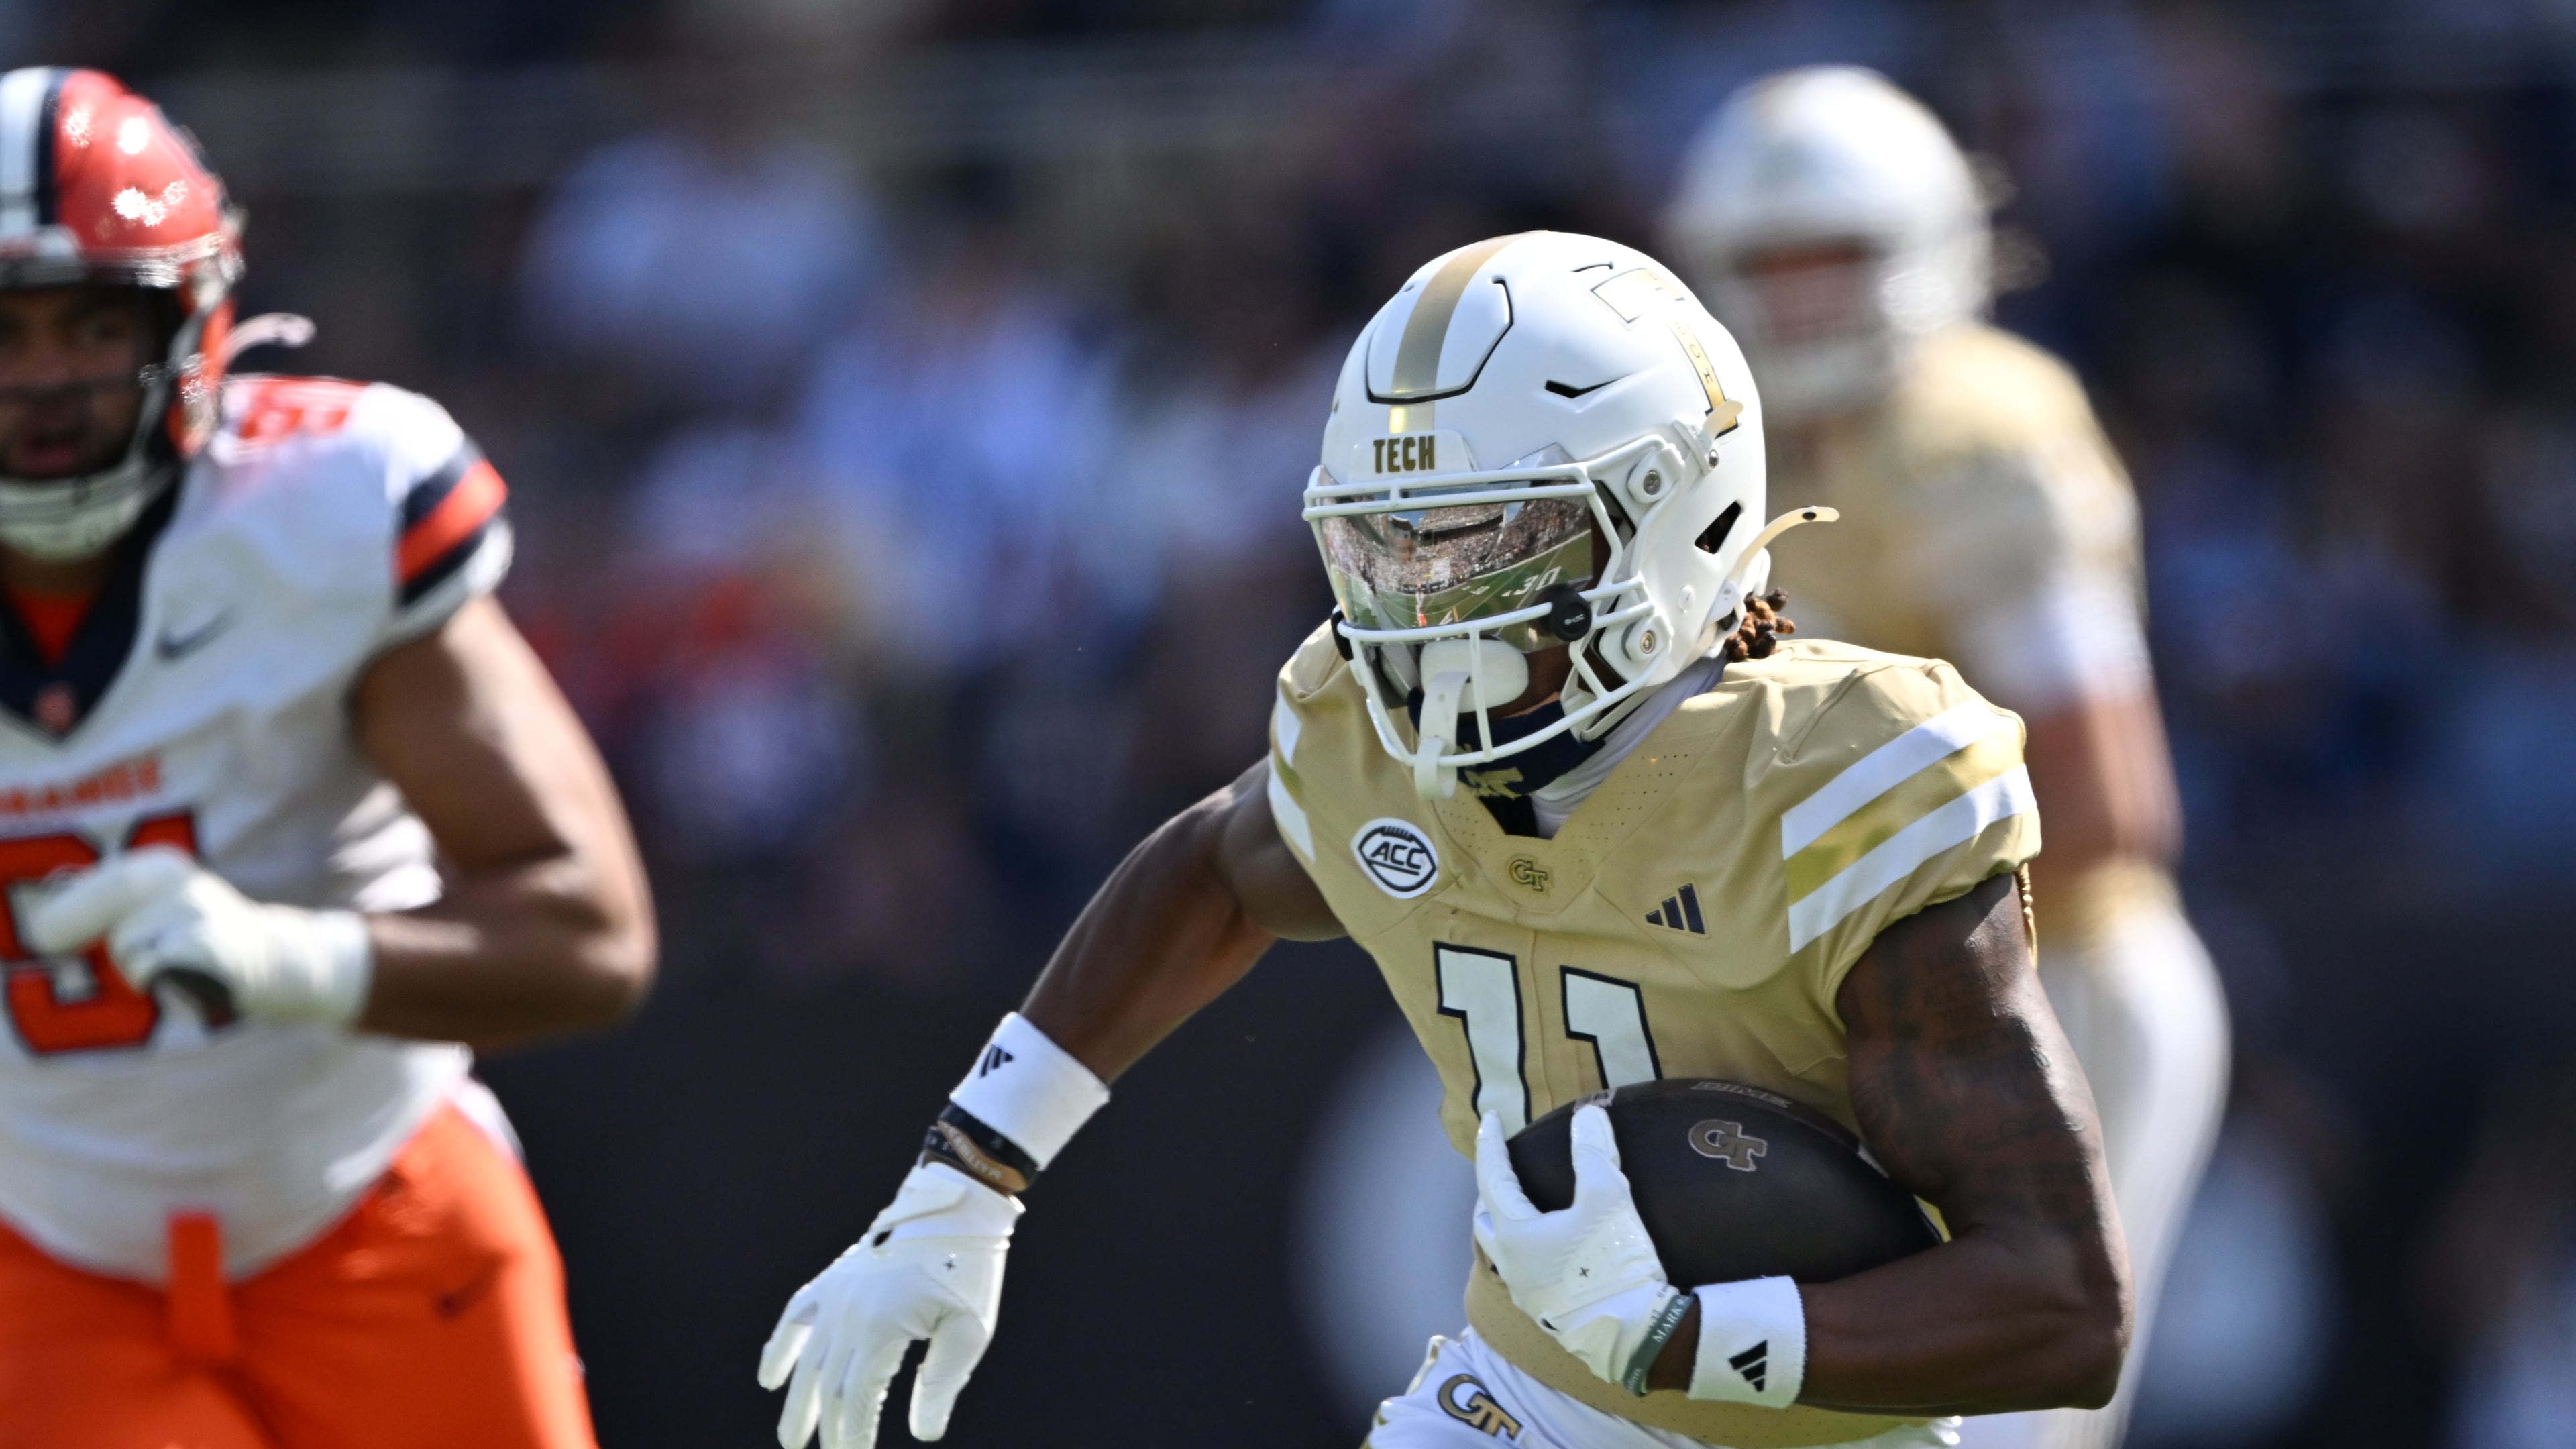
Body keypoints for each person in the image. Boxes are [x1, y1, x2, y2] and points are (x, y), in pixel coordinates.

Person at [760, 230, 2131, 1449]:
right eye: (1387, 550)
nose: (1427, 612)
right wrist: (971, 1175)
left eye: (1483, 547)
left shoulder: (1831, 780)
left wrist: (1694, 1339)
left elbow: (2063, 1307)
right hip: (1524, 1401)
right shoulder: (1371, 740)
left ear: (1669, 508)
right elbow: (1210, 873)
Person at [0, 68, 654, 1449]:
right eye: (4, 335)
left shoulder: (319, 508)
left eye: (87, 324)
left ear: (188, 323)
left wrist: (282, 958)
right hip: (44, 1261)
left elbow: (588, 933)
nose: (45, 384)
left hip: (375, 1205)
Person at [1662, 66, 2231, 1449]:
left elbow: (2107, 810)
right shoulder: (1723, 440)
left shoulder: (1982, 437)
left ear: (1924, 247)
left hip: (2053, 996)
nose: (1798, 301)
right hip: (1875, 1017)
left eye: (1833, 259)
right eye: (1768, 265)